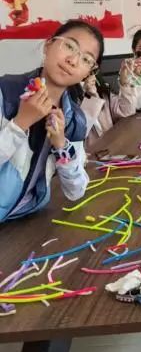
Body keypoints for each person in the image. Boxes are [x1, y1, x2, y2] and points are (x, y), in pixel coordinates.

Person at [0, 20, 95, 222]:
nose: (73, 61)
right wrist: (20, 124)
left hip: (25, 216)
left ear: (88, 73)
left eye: (86, 59)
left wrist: (61, 145)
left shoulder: (74, 118)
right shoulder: (5, 92)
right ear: (48, 45)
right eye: (69, 46)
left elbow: (76, 191)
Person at [79, 66, 136, 147]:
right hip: (90, 151)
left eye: (95, 70)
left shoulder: (103, 91)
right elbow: (79, 131)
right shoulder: (69, 96)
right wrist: (89, 96)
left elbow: (127, 111)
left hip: (111, 145)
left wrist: (124, 82)